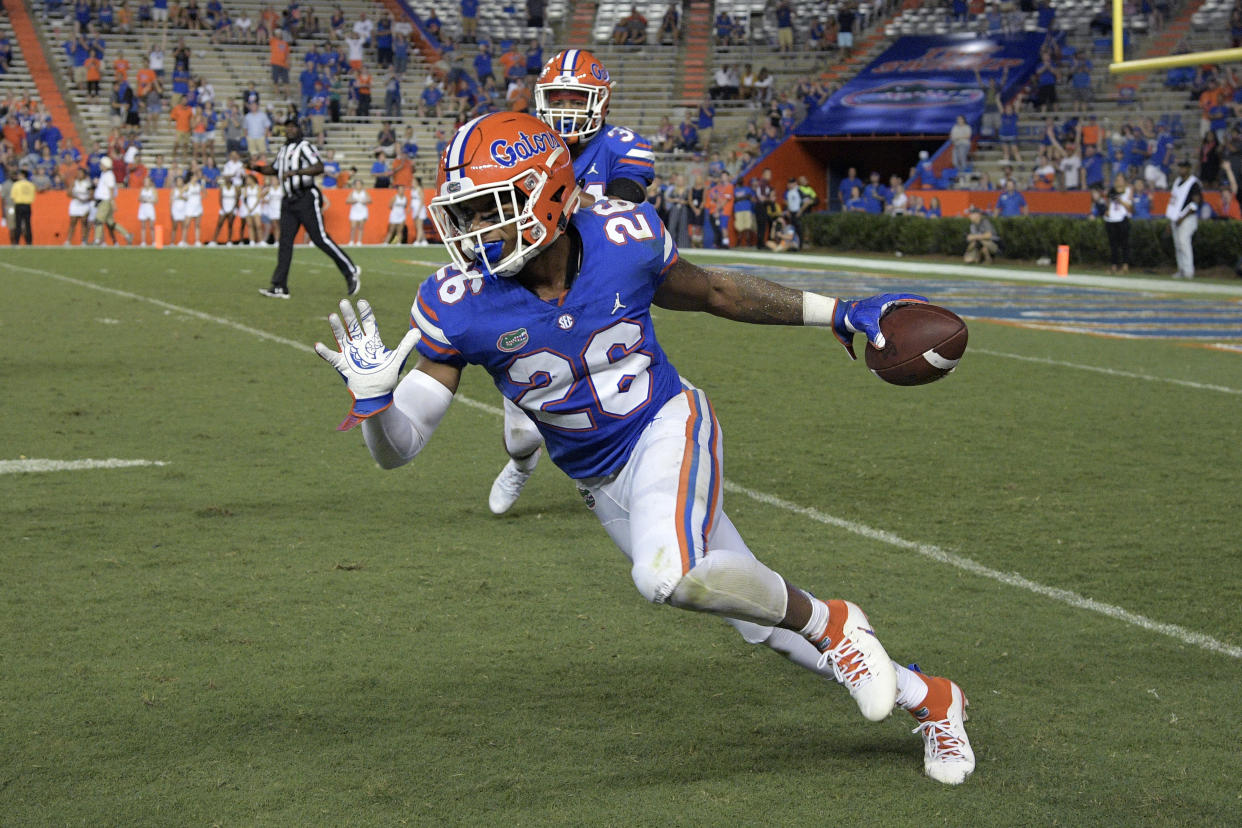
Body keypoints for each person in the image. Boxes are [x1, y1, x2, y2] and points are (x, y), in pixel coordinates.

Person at [312, 111, 975, 786]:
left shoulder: (620, 237)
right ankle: (936, 701)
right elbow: (401, 446)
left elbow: (715, 290)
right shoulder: (459, 301)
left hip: (666, 424)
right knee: (755, 618)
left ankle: (836, 623)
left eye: (491, 207)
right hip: (601, 483)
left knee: (667, 575)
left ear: (547, 195)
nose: (473, 229)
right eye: (467, 211)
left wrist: (836, 312)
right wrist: (373, 405)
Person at [481, 48, 659, 513]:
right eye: (555, 96)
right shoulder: (523, 141)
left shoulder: (620, 144)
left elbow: (627, 197)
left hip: (597, 283)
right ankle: (521, 463)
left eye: (574, 97)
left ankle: (625, 469)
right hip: (530, 284)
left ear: (600, 101)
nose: (562, 108)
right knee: (522, 425)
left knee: (613, 383)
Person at [249, 117, 360, 298]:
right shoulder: (284, 149)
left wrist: (297, 172)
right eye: (287, 128)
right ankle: (279, 286)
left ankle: (350, 270)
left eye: (293, 127)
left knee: (320, 238)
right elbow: (274, 169)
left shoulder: (305, 147)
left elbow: (319, 167)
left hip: (306, 197)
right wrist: (256, 168)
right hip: (289, 200)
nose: (290, 130)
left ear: (299, 129)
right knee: (285, 242)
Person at [1167, 158, 1202, 279]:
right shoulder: (1177, 181)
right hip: (1176, 218)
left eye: (1184, 167)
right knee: (1178, 245)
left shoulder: (1194, 183)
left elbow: (1195, 203)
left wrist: (1182, 217)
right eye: (1180, 167)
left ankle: (1188, 271)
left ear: (1189, 169)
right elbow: (1173, 201)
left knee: (1184, 242)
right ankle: (1181, 269)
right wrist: (1171, 219)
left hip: (1187, 218)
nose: (1181, 169)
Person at [93, 156, 135, 245]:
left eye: (101, 164)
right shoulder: (104, 174)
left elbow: (111, 189)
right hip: (105, 201)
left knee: (98, 220)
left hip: (105, 201)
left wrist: (112, 202)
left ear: (105, 165)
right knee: (110, 223)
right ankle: (127, 235)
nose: (100, 166)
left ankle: (97, 240)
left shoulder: (108, 175)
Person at [1103, 173, 1133, 274]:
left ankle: (1125, 266)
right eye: (1117, 179)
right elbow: (1107, 202)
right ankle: (1114, 266)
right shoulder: (1112, 190)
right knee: (1113, 245)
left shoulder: (1128, 191)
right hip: (1111, 219)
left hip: (1122, 219)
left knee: (1124, 244)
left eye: (1120, 179)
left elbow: (1129, 207)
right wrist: (1107, 210)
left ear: (1124, 181)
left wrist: (1120, 200)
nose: (1118, 181)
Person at [67, 166, 94, 245]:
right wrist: (77, 198)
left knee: (84, 222)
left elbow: (92, 195)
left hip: (85, 204)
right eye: (78, 173)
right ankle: (68, 240)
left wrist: (86, 199)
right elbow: (69, 193)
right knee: (73, 222)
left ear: (84, 175)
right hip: (75, 203)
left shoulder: (88, 183)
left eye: (81, 173)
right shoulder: (74, 182)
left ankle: (84, 240)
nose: (79, 175)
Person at [9, 169, 35, 245]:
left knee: (18, 224)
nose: (18, 176)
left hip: (19, 205)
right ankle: (29, 242)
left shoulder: (16, 184)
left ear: (23, 175)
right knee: (28, 224)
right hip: (27, 205)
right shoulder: (31, 185)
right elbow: (33, 197)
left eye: (19, 175)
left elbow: (13, 197)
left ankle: (17, 242)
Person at [136, 174, 158, 245]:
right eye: (145, 181)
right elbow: (139, 198)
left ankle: (154, 241)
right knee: (143, 226)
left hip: (150, 208)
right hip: (143, 207)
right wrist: (142, 199)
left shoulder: (153, 190)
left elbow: (156, 200)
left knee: (152, 226)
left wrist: (149, 200)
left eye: (147, 181)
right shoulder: (142, 190)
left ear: (150, 182)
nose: (146, 183)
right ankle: (143, 241)